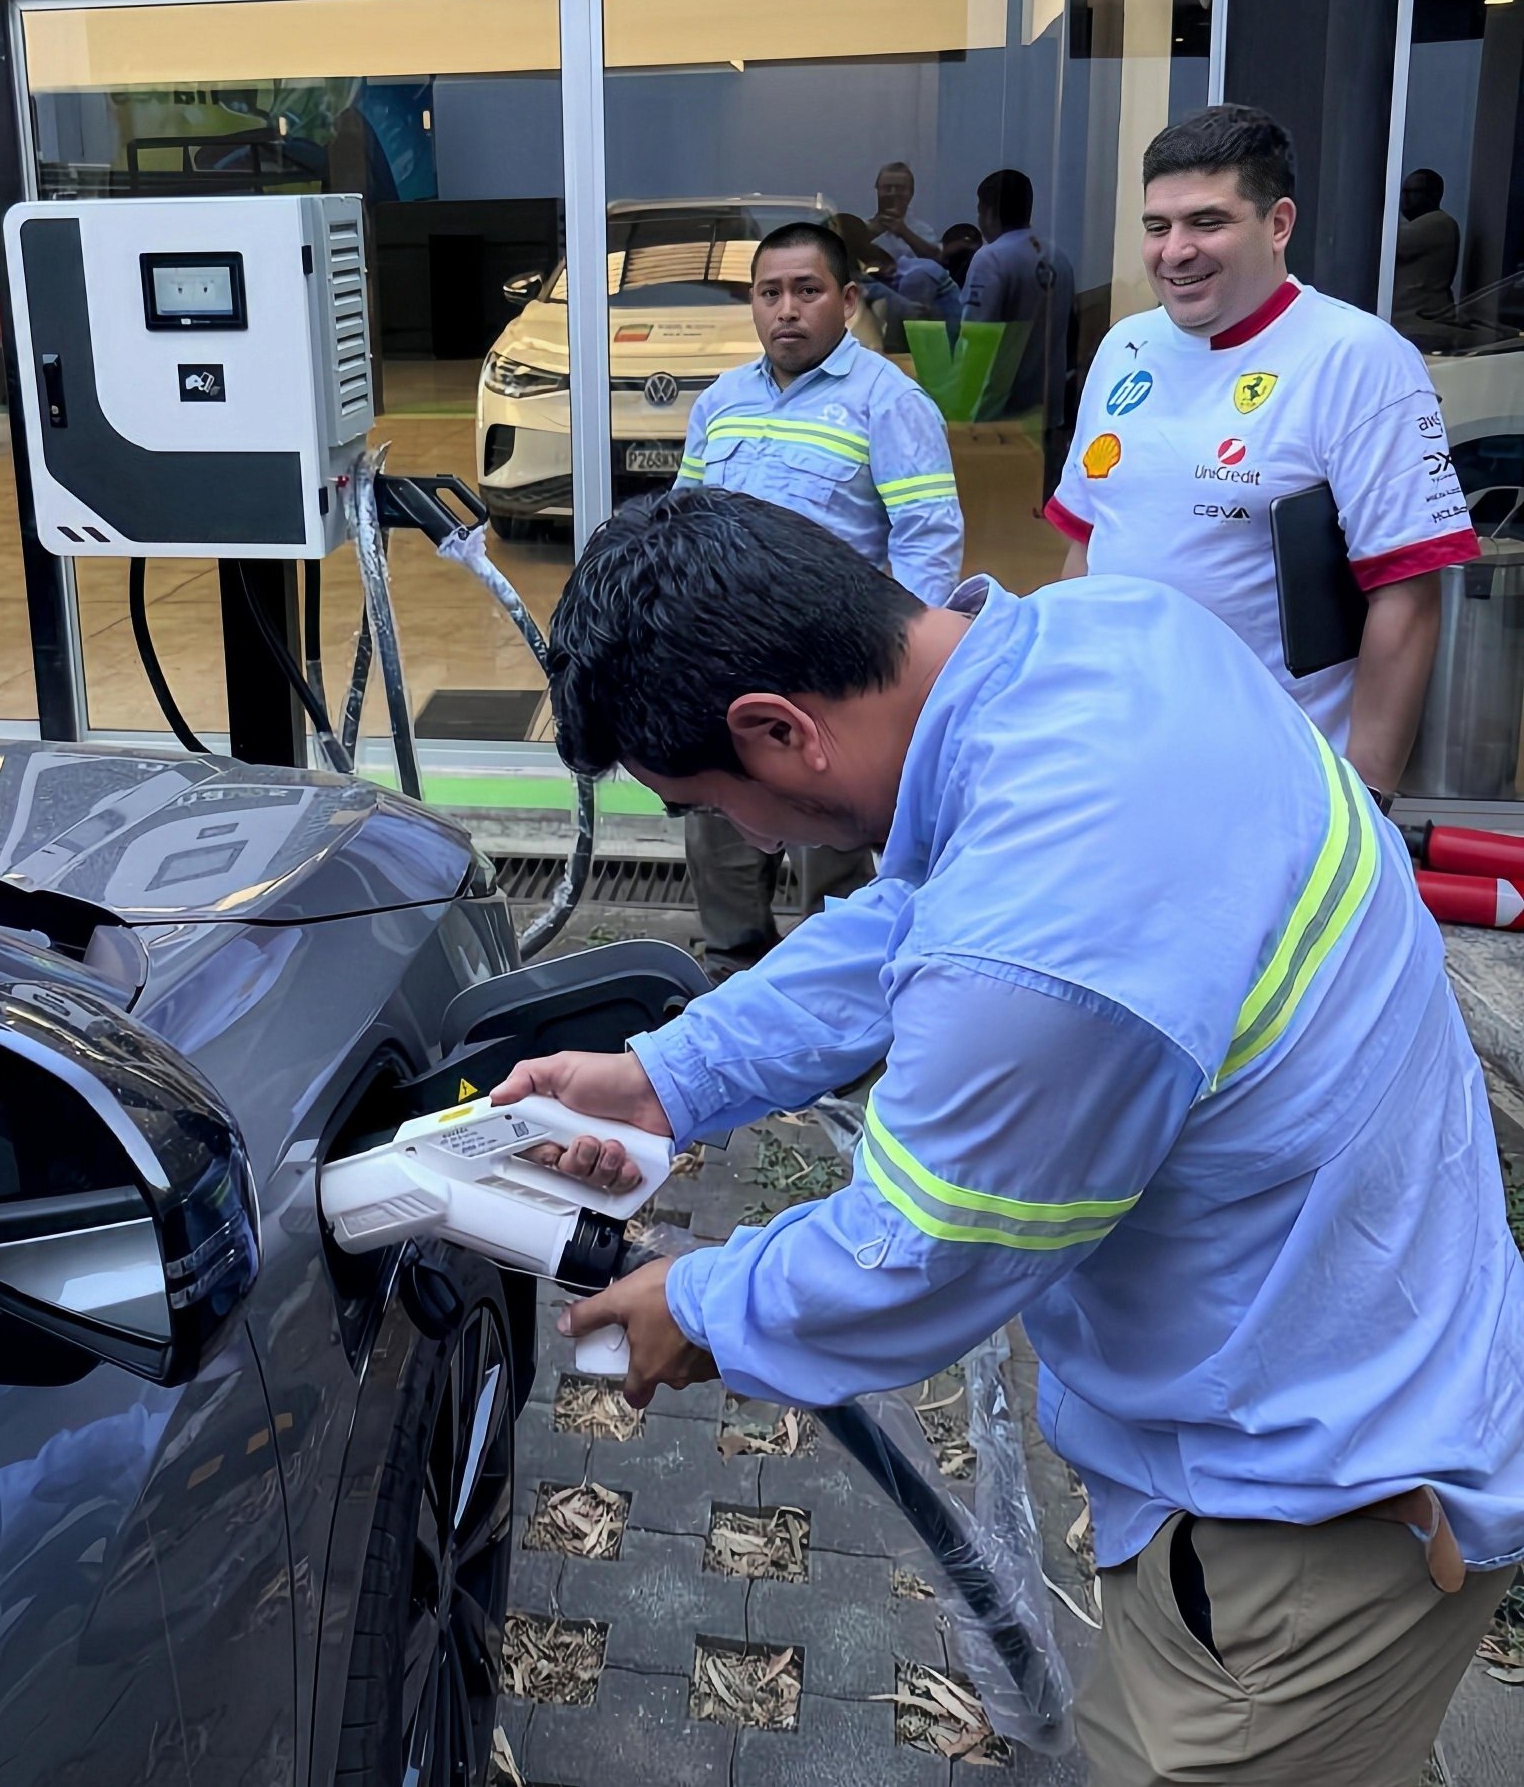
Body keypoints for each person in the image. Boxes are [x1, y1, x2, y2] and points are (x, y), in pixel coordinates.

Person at [500, 487, 1524, 1786]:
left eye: (716, 805)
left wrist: (693, 1307)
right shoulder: (1116, 642)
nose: (742, 841)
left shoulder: (1043, 937)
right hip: (1373, 1354)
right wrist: (665, 1077)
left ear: (777, 729)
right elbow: (922, 919)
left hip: (1307, 1516)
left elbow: (915, 1255)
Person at [1046, 107, 1476, 806]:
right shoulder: (1125, 346)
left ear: (1278, 225)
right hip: (1113, 762)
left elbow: (1407, 592)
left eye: (1207, 223)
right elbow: (1087, 546)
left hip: (1276, 786)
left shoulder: (1358, 358)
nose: (1174, 250)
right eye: (1158, 226)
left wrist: (1366, 796)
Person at [673, 221, 962, 976]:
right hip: (723, 661)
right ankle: (728, 971)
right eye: (770, 293)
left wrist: (893, 671)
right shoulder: (722, 402)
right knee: (721, 820)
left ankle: (824, 989)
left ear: (848, 300)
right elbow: (682, 522)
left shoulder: (888, 403)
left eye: (807, 290)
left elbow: (927, 538)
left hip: (836, 667)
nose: (787, 309)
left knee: (833, 838)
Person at [960, 168, 1076, 437]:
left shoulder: (990, 258)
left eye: (980, 211)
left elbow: (976, 338)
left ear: (988, 211)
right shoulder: (1059, 258)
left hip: (999, 418)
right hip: (1049, 411)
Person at [1392, 168, 1463, 349]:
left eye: (1412, 192)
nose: (1404, 199)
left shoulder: (1439, 222)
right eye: (1403, 192)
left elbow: (1392, 244)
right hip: (1412, 322)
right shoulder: (1421, 224)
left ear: (1434, 195)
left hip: (1423, 322)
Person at [865, 160, 944, 268]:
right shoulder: (860, 227)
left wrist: (904, 232)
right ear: (878, 190)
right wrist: (868, 234)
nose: (893, 193)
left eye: (899, 188)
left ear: (910, 193)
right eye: (887, 188)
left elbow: (936, 262)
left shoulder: (923, 231)